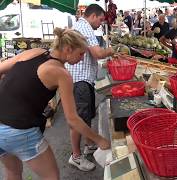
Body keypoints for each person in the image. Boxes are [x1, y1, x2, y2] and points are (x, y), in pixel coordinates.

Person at [0, 28, 110, 180]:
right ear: (67, 49)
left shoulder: (36, 52)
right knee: (52, 177)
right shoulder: (61, 74)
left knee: (12, 174)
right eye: (81, 53)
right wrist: (99, 140)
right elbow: (72, 119)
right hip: (20, 130)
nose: (82, 57)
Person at [65, 4, 114, 171]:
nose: (100, 24)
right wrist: (112, 50)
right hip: (80, 80)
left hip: (83, 79)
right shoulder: (85, 27)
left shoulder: (81, 26)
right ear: (92, 16)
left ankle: (89, 145)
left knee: (86, 116)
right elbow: (98, 53)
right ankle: (76, 156)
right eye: (100, 20)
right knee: (78, 120)